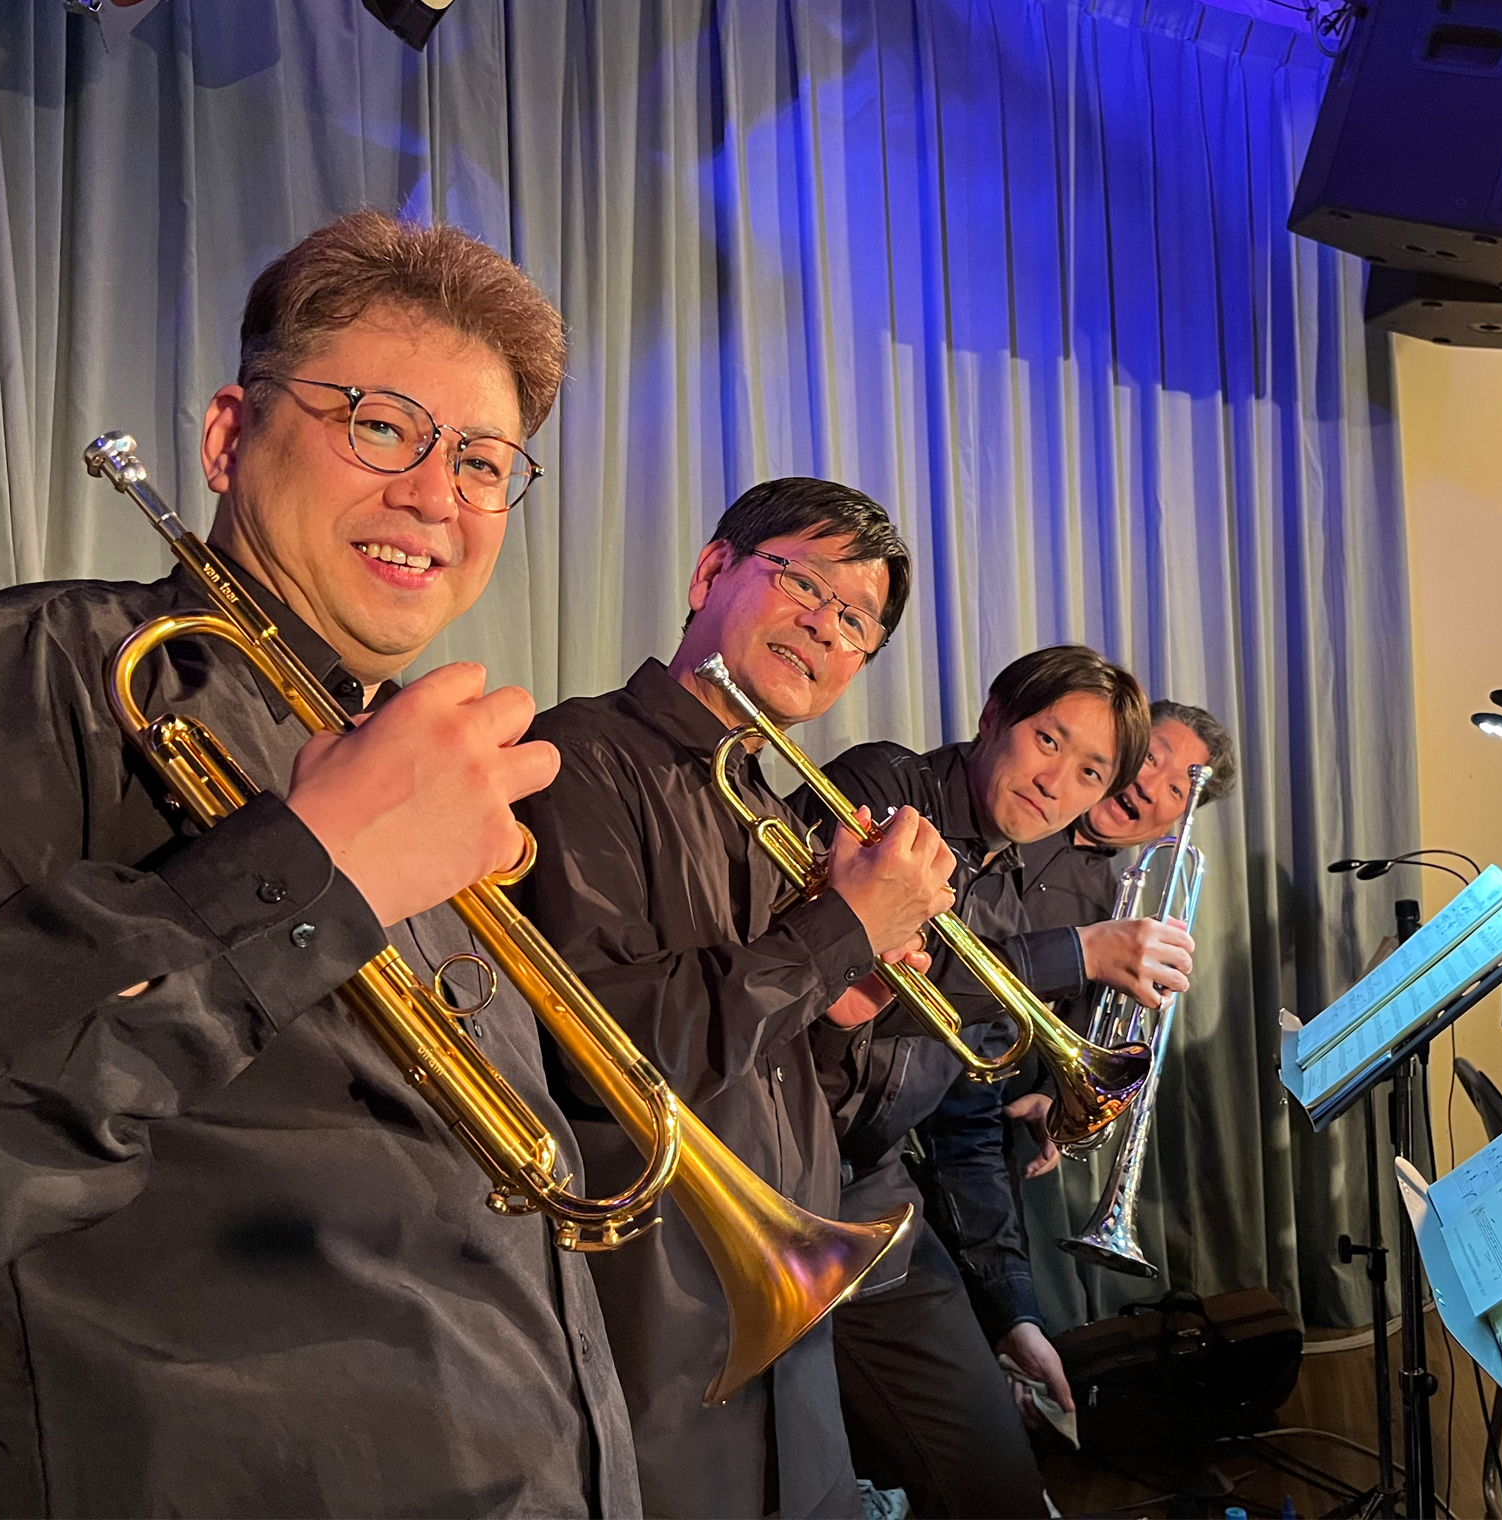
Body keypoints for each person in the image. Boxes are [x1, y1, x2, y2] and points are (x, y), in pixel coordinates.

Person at [0, 212, 644, 1517]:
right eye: (379, 424)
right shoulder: (49, 674)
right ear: (228, 437)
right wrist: (306, 873)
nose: (434, 494)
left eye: (481, 459)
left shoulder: (418, 776)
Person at [510, 480, 959, 1519]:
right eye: (803, 581)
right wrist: (837, 930)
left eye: (857, 622)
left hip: (790, 1321)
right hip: (658, 1322)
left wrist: (846, 1003)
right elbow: (601, 1049)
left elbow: (780, 1077)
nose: (827, 625)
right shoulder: (577, 754)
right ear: (711, 572)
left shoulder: (779, 812)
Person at [793, 647, 1196, 1518]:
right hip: (768, 1158)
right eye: (1048, 740)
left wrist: (1014, 1312)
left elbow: (967, 1125)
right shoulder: (881, 789)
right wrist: (1078, 953)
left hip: (869, 1187)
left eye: (1090, 773)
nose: (1057, 783)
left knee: (1000, 1484)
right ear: (993, 716)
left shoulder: (1011, 891)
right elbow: (859, 983)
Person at [1010, 701, 1237, 1326]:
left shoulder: (1119, 906)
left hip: (990, 1121)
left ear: (1179, 818)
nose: (1151, 785)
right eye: (1151, 757)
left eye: (1178, 789)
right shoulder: (1012, 821)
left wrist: (1053, 1097)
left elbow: (1079, 1036)